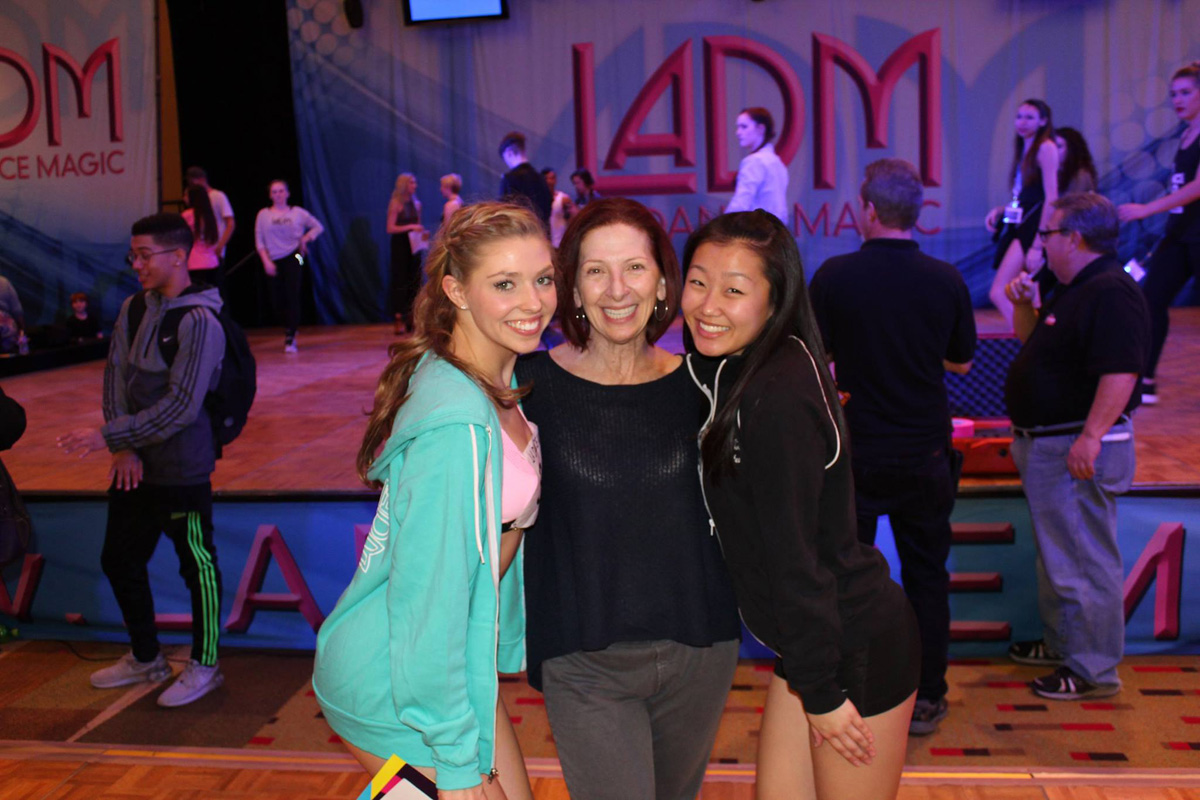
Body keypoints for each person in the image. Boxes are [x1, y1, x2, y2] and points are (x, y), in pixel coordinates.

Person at [312, 202, 556, 800]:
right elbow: (433, 593)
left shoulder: (483, 376)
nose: (533, 302)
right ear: (457, 291)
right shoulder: (457, 422)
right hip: (394, 686)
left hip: (448, 667)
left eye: (543, 278)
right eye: (505, 284)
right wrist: (454, 761)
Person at [681, 211, 919, 799]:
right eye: (698, 282)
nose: (708, 305)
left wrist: (822, 693)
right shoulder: (743, 368)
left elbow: (796, 559)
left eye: (734, 290)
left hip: (852, 646)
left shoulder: (778, 396)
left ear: (775, 299)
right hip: (812, 642)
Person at [516, 198, 740, 800]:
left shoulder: (705, 385)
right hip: (584, 658)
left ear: (663, 282)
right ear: (572, 287)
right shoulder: (527, 388)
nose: (617, 289)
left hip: (700, 649)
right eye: (596, 271)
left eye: (635, 268)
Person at [810, 158, 976, 738]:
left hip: (855, 454)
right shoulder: (945, 279)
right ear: (915, 213)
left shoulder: (835, 276)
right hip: (925, 451)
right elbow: (962, 361)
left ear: (869, 210)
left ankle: (854, 689)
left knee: (846, 577)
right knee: (927, 576)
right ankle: (928, 696)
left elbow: (817, 359)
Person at [57, 213, 227, 708]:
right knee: (120, 558)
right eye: (133, 255)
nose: (136, 264)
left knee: (197, 568)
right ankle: (147, 656)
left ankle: (206, 665)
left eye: (145, 255)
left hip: (181, 469)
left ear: (179, 256)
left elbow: (181, 407)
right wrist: (123, 448)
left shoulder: (199, 321)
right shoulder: (133, 308)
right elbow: (114, 379)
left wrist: (108, 434)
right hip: (133, 467)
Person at [1003, 193, 1149, 700]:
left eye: (1048, 234)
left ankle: (1093, 669)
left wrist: (1091, 436)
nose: (1042, 244)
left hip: (1074, 447)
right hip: (1051, 443)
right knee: (1060, 556)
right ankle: (1064, 645)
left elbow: (1121, 372)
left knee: (1084, 560)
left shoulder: (1111, 291)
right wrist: (1024, 305)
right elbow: (1031, 344)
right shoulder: (1073, 288)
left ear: (1075, 238)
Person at [1118, 61, 1200, 405]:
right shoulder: (1186, 135)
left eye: (1186, 92)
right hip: (1180, 234)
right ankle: (1146, 379)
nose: (1177, 100)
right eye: (1173, 94)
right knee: (1151, 299)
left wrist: (1147, 209)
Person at [986, 99, 1060, 323]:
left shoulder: (1045, 147)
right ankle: (1034, 336)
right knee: (1024, 294)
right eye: (1019, 117)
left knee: (999, 292)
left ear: (1043, 121)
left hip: (1032, 227)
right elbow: (1026, 196)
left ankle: (1032, 338)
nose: (1022, 122)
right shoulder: (1025, 149)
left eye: (1029, 117)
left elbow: (1051, 198)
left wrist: (1038, 244)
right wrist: (1002, 211)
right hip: (1021, 222)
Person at [254, 180, 324, 353]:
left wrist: (305, 238)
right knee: (276, 299)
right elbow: (259, 240)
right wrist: (266, 261)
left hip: (296, 255)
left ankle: (290, 336)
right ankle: (289, 324)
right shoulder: (263, 215)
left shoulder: (298, 212)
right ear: (270, 195)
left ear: (287, 193)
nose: (278, 194)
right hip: (273, 258)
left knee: (293, 292)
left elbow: (318, 227)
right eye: (274, 192)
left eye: (281, 191)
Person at [724, 107, 789, 222]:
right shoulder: (777, 162)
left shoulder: (754, 161)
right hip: (777, 228)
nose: (738, 132)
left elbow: (741, 202)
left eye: (744, 127)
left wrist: (723, 225)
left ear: (760, 129)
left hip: (759, 228)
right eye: (738, 127)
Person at [387, 173, 427, 335]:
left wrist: (421, 232)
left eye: (415, 183)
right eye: (411, 183)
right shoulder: (396, 203)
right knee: (400, 279)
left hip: (414, 244)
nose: (414, 186)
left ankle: (413, 317)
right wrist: (410, 227)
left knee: (415, 279)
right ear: (404, 185)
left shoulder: (417, 203)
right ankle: (399, 318)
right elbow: (390, 227)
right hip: (400, 244)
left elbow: (417, 224)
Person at [184, 166, 236, 268]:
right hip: (199, 252)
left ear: (202, 179)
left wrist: (220, 245)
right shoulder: (194, 202)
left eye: (193, 182)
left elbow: (230, 223)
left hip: (214, 249)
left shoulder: (218, 196)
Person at [497, 132, 552, 226]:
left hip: (519, 231)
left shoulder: (509, 179)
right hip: (539, 231)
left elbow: (504, 212)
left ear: (509, 153)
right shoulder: (540, 178)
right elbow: (547, 208)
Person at [182, 185, 221, 285]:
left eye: (186, 195)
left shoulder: (187, 215)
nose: (184, 198)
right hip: (212, 262)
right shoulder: (210, 215)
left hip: (193, 263)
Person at [1055, 127, 1098, 194]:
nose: (1054, 150)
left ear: (1072, 149)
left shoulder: (1080, 175)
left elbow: (1071, 199)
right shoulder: (1058, 172)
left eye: (1059, 146)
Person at [540, 167, 575, 248]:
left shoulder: (563, 199)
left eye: (552, 178)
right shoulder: (538, 200)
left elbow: (573, 218)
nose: (549, 181)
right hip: (544, 245)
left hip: (560, 243)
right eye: (546, 178)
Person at [0, 273, 25, 354]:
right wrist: (22, 334)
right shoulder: (4, 282)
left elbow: (18, 312)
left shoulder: (4, 282)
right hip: (7, 332)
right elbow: (18, 312)